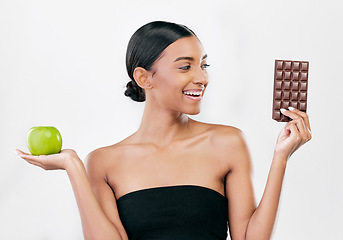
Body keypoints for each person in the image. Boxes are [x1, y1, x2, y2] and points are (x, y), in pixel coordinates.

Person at [16, 21, 312, 240]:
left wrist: (281, 158)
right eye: (185, 67)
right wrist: (73, 165)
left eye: (203, 65)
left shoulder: (227, 142)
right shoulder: (104, 162)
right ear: (145, 78)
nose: (202, 78)